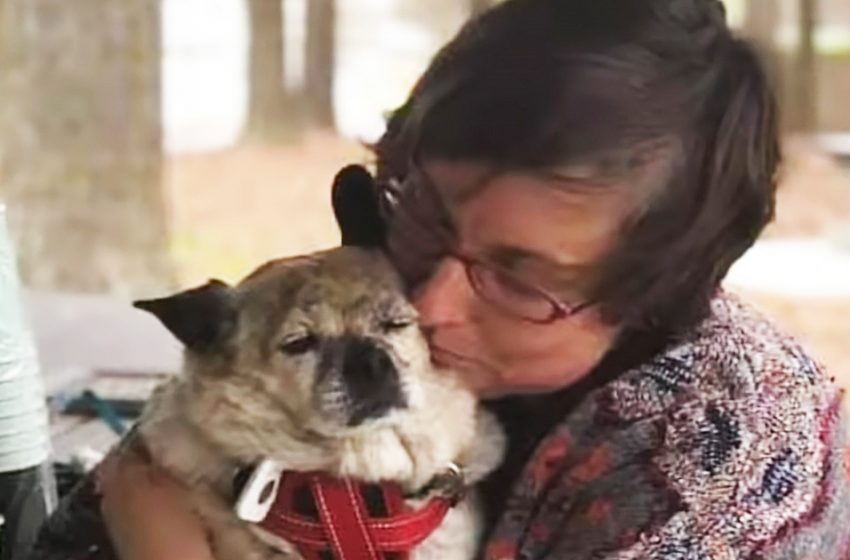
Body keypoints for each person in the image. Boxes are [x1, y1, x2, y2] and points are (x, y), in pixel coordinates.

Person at [33, 0, 850, 558]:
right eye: (425, 216)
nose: (426, 307)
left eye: (518, 279)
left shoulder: (718, 486)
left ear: (654, 297)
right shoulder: (387, 297)